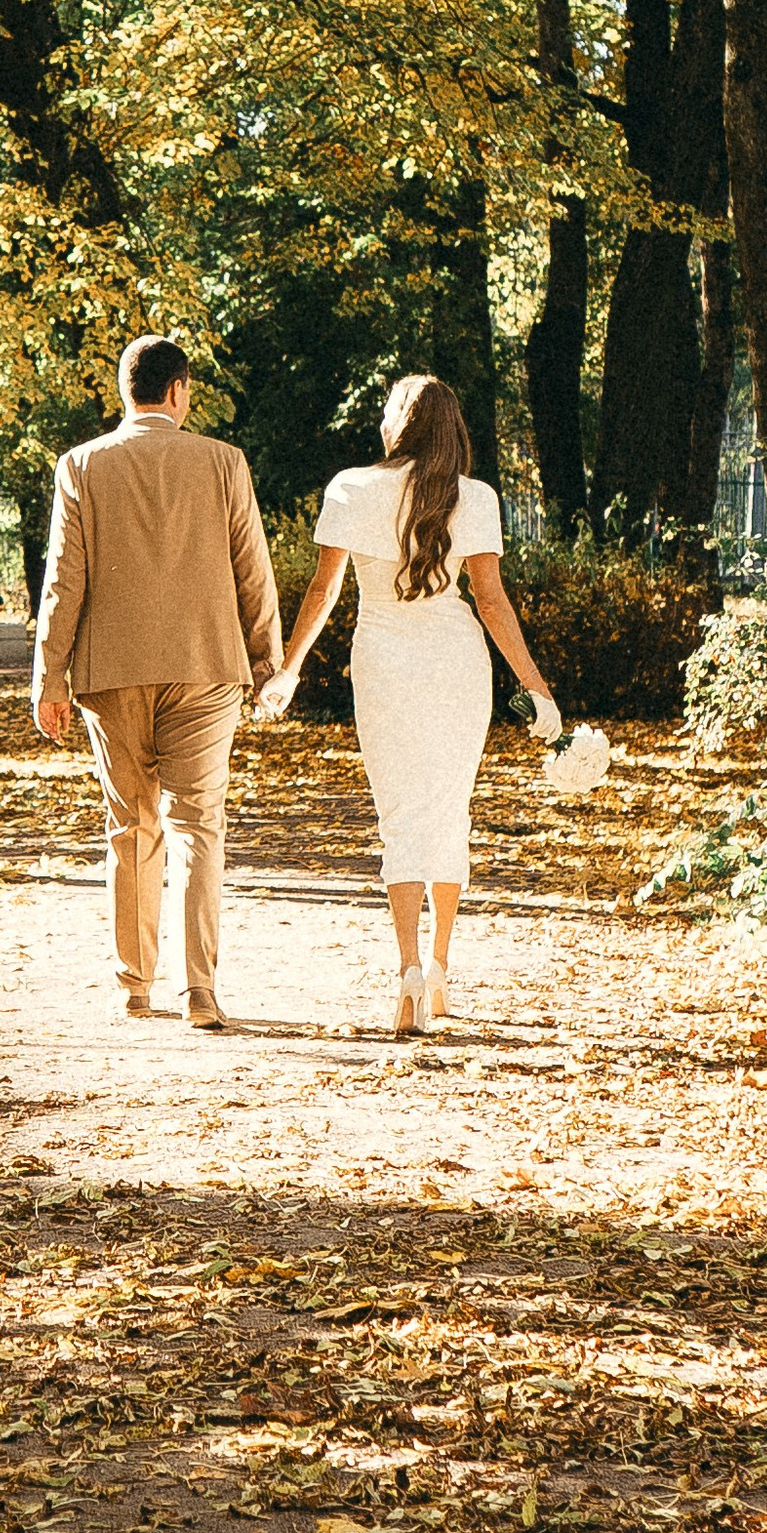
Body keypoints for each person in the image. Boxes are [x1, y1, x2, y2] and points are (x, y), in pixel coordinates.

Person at [259, 373, 559, 1038]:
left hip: (384, 662)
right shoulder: (475, 498)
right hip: (458, 665)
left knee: (400, 815)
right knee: (449, 809)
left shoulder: (350, 487)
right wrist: (536, 689)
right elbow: (491, 602)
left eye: (389, 407)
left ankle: (406, 974)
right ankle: (442, 968)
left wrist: (289, 670)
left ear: (401, 422)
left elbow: (324, 589)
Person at [33, 335, 282, 1028]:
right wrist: (268, 667)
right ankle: (198, 990)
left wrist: (49, 677)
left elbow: (64, 580)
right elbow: (252, 572)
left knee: (131, 825)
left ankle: (133, 984)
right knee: (199, 824)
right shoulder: (224, 462)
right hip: (206, 667)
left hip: (111, 670)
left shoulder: (81, 465)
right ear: (180, 392)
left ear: (126, 391)